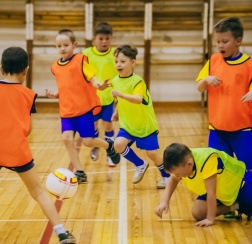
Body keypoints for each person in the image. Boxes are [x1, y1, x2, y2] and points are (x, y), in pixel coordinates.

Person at [0, 47, 76, 244]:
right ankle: (61, 232)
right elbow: (29, 128)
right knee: (39, 192)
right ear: (26, 70)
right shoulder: (28, 95)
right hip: (18, 152)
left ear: (1, 69)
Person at [45, 29, 121, 184]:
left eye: (66, 45)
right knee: (66, 139)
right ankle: (80, 171)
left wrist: (100, 86)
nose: (63, 48)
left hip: (83, 110)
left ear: (74, 45)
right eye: (59, 46)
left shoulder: (81, 60)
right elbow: (66, 85)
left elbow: (93, 80)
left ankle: (109, 146)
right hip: (66, 111)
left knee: (88, 141)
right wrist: (56, 94)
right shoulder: (55, 67)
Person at [196, 17, 252, 171]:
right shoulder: (213, 60)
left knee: (248, 170)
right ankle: (219, 196)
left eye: (225, 41)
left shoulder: (249, 65)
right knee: (218, 170)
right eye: (218, 41)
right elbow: (200, 88)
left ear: (238, 41)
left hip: (244, 131)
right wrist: (206, 79)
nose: (220, 45)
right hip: (217, 130)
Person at [111, 44, 170, 188]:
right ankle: (140, 164)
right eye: (117, 61)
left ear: (132, 63)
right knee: (118, 145)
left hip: (145, 125)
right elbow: (119, 101)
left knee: (153, 154)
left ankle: (166, 177)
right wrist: (117, 112)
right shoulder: (115, 81)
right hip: (128, 125)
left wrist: (121, 95)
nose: (119, 64)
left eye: (123, 61)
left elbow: (137, 99)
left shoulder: (138, 81)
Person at [155, 143, 252, 226]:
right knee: (198, 213)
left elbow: (211, 193)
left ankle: (241, 202)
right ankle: (236, 206)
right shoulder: (184, 159)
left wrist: (210, 219)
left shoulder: (206, 161)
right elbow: (173, 179)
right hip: (222, 191)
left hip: (240, 183)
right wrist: (165, 201)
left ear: (189, 165)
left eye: (177, 173)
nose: (176, 176)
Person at [82, 22, 118, 167]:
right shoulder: (86, 54)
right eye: (101, 38)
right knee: (94, 124)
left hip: (108, 98)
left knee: (108, 125)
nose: (104, 41)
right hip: (91, 98)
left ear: (111, 38)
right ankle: (96, 146)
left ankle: (111, 153)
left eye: (107, 38)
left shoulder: (115, 54)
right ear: (94, 39)